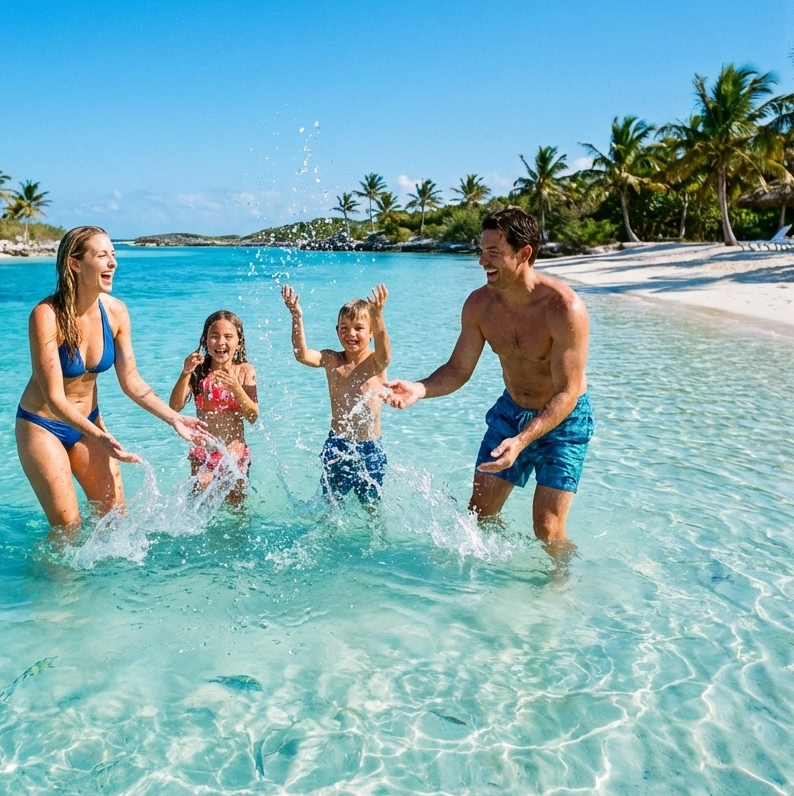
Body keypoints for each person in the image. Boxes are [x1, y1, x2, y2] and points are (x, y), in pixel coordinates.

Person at [385, 207, 592, 545]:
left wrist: (522, 441)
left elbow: (567, 392)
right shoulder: (479, 306)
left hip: (564, 421)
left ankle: (560, 589)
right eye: (481, 251)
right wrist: (420, 389)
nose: (482, 261)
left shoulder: (564, 310)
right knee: (479, 515)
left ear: (524, 253)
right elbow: (458, 369)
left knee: (548, 530)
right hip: (511, 413)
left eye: (494, 253)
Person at [16, 226, 205, 533]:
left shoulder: (116, 312)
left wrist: (174, 418)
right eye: (102, 255)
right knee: (68, 527)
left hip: (88, 421)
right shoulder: (46, 315)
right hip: (42, 425)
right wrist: (103, 437)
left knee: (116, 519)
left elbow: (131, 380)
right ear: (75, 264)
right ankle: (58, 581)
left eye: (113, 254)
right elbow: (53, 396)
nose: (113, 262)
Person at [281, 283, 390, 507]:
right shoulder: (333, 361)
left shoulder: (375, 363)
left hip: (370, 446)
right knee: (331, 502)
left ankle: (374, 538)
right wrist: (296, 316)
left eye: (359, 328)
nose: (351, 333)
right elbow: (302, 355)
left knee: (371, 506)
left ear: (371, 333)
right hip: (338, 444)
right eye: (344, 327)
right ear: (337, 331)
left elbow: (386, 354)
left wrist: (378, 315)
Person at [169, 310, 259, 502]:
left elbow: (252, 416)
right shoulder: (198, 372)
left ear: (239, 341)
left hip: (235, 455)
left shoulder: (244, 371)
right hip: (203, 453)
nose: (220, 342)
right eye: (214, 337)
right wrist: (185, 373)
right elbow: (174, 407)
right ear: (205, 340)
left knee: (237, 511)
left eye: (228, 337)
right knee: (201, 493)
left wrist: (236, 388)